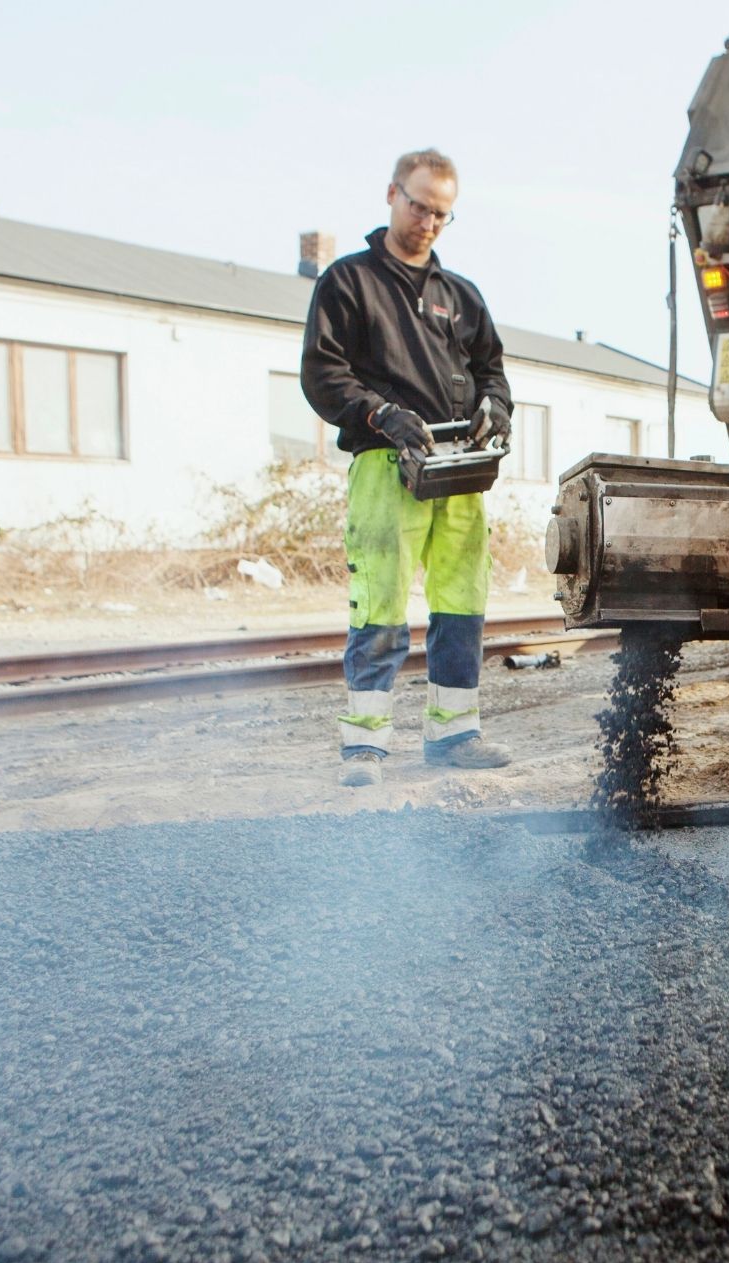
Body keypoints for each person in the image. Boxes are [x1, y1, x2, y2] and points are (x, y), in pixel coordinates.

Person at [301, 148, 513, 787]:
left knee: (461, 601)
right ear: (392, 194)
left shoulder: (460, 296)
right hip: (385, 463)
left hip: (458, 468)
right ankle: (365, 746)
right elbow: (322, 373)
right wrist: (379, 414)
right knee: (381, 602)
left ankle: (454, 735)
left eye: (441, 214)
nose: (427, 221)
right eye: (418, 205)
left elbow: (492, 375)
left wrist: (495, 411)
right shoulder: (349, 282)